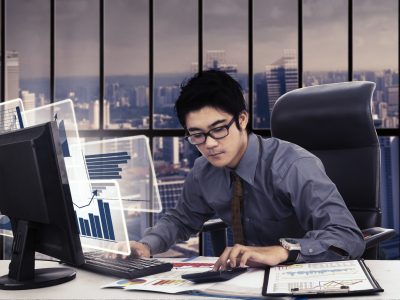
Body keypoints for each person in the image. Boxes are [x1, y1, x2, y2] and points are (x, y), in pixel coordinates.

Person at [130, 70, 365, 270]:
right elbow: (181, 220)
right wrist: (146, 245)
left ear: (242, 119)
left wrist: (283, 251)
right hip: (245, 281)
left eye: (219, 129)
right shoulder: (204, 170)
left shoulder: (293, 165)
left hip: (307, 275)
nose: (209, 143)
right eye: (197, 134)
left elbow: (347, 236)